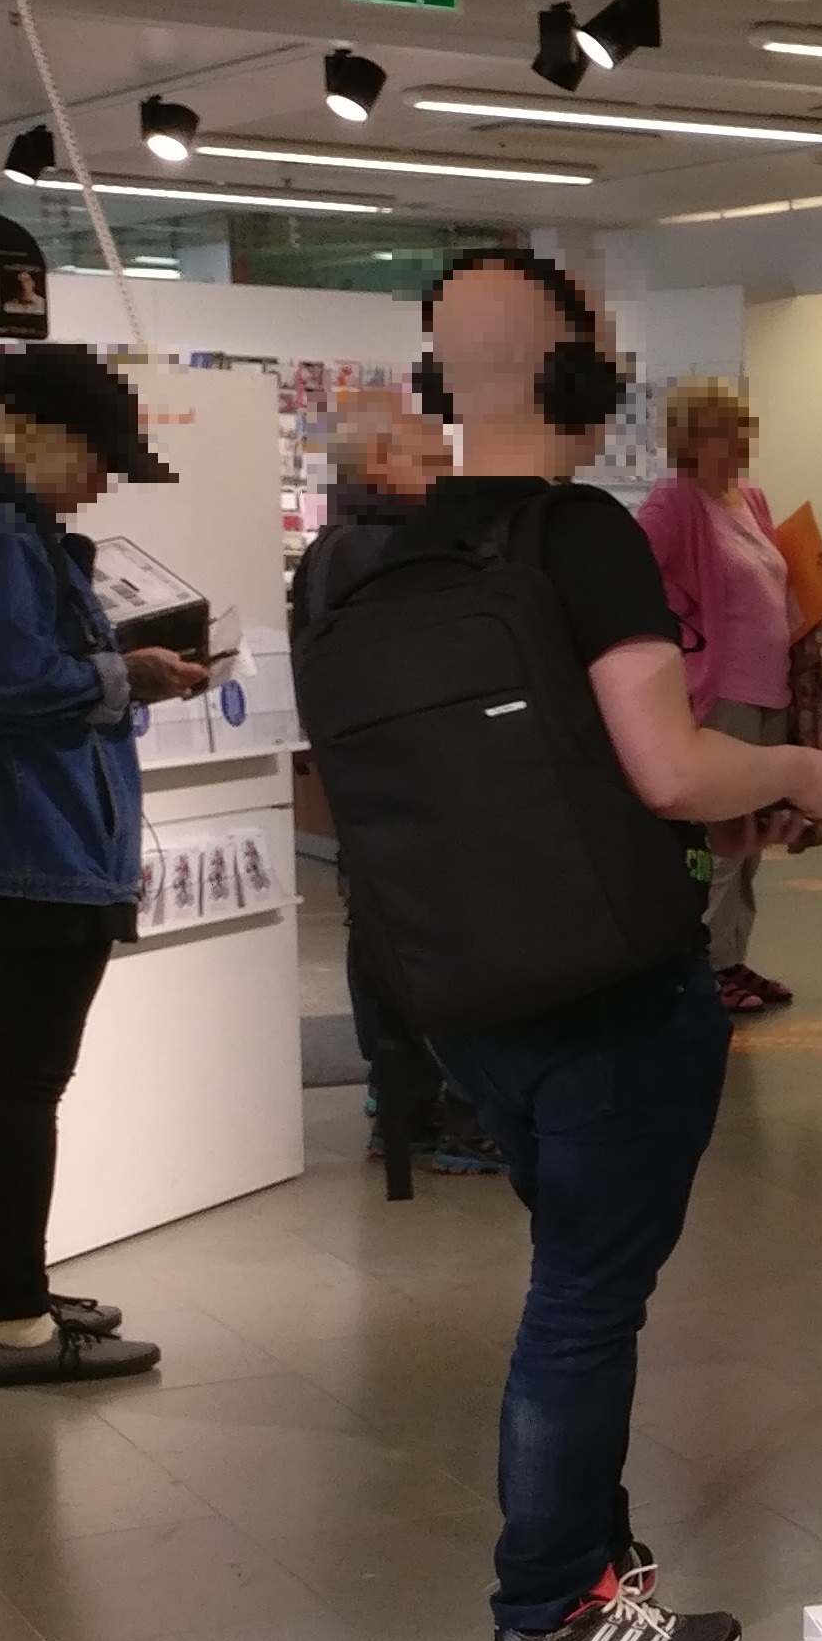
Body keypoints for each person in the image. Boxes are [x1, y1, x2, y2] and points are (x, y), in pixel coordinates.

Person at [374, 250, 822, 1641]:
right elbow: (668, 768)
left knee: (573, 1272)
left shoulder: (379, 554)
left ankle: (590, 1557)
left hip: (465, 986)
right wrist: (795, 771)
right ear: (577, 374)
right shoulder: (581, 536)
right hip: (604, 984)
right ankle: (549, 1606)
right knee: (585, 1300)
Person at [0, 347, 208, 1386]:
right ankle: (18, 1324)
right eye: (99, 459)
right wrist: (127, 674)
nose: (104, 482)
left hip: (12, 841)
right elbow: (1, 685)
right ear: (47, 441)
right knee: (23, 1084)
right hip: (31, 844)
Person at [296, 386, 498, 1180]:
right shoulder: (371, 551)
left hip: (395, 790)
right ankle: (435, 1114)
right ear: (378, 461)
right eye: (431, 458)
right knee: (426, 950)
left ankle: (412, 1105)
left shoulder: (356, 545)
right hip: (412, 789)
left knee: (395, 948)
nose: (448, 472)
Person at [635, 379, 804, 1013]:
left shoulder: (750, 499)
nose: (739, 441)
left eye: (741, 428)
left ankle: (731, 957)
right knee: (720, 836)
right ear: (692, 438)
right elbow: (634, 570)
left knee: (753, 836)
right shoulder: (676, 502)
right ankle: (702, 965)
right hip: (720, 692)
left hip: (769, 689)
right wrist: (680, 619)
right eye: (724, 430)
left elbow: (771, 581)